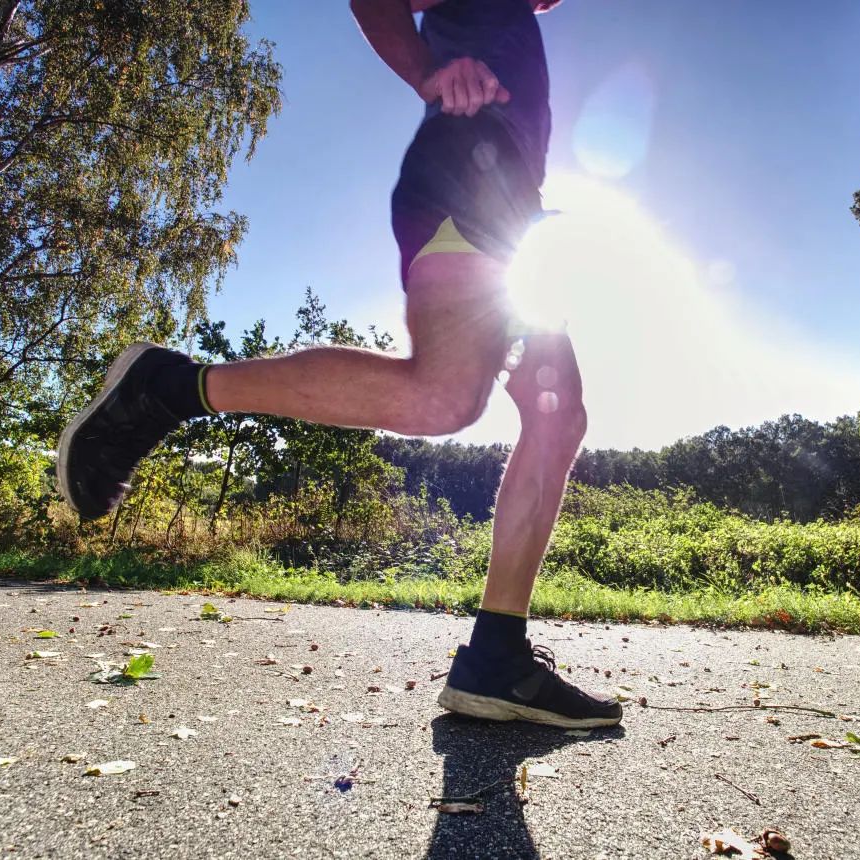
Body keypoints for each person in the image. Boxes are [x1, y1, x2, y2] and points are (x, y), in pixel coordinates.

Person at [57, 0, 622, 729]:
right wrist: (427, 72)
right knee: (446, 399)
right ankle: (165, 389)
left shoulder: (517, 16)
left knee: (557, 414)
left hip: (511, 196)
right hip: (468, 169)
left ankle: (497, 658)